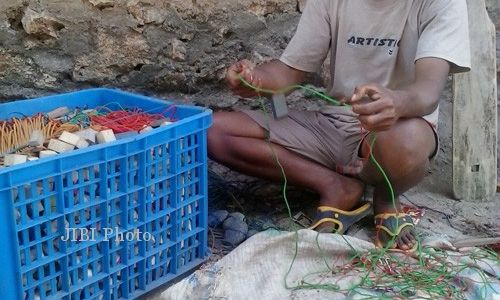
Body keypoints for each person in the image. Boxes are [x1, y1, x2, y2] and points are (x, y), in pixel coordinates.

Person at [207, 0, 471, 251]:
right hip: (331, 126)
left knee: (408, 142)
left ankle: (386, 197)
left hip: (394, 130)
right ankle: (336, 186)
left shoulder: (443, 2)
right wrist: (255, 79)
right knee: (211, 131)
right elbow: (289, 72)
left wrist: (396, 103)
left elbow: (427, 92)